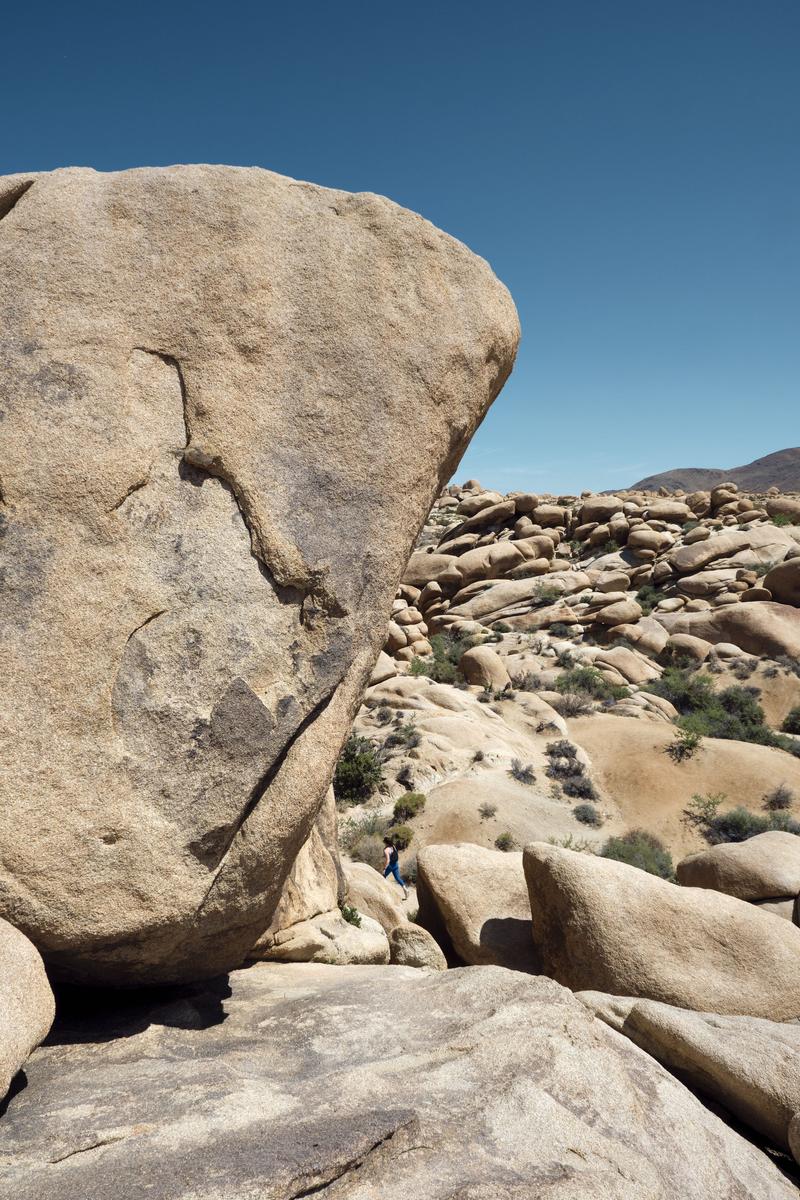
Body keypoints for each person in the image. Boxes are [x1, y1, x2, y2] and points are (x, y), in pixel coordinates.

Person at [382, 836, 408, 900]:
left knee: (383, 876)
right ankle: (405, 889)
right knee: (398, 878)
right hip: (395, 864)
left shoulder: (386, 850)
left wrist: (385, 868)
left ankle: (383, 891)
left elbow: (388, 860)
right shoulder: (393, 846)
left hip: (390, 865)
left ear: (386, 843)